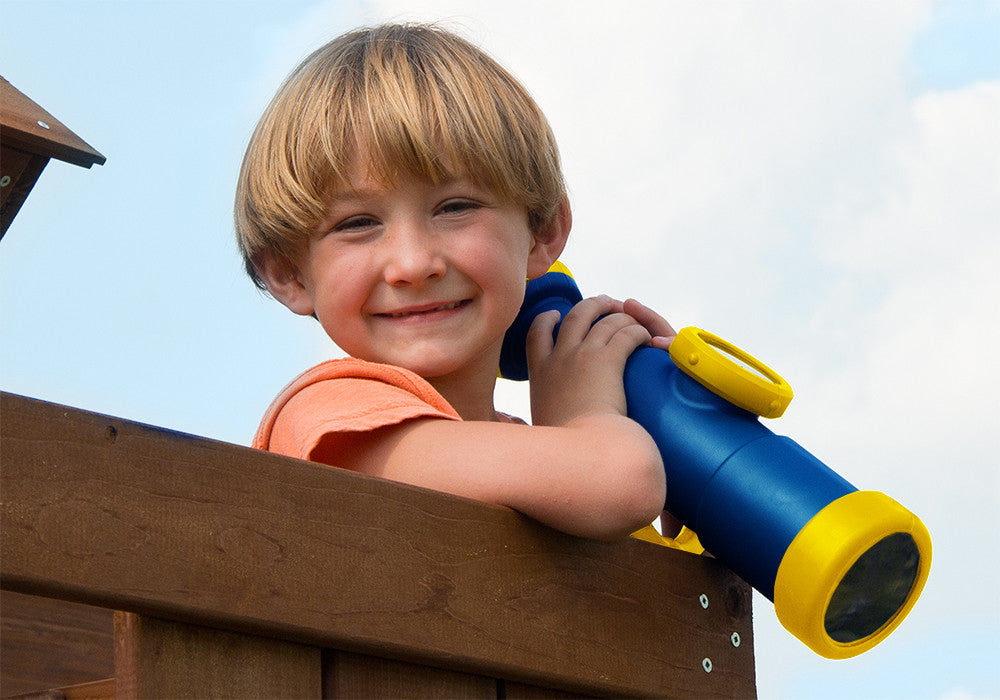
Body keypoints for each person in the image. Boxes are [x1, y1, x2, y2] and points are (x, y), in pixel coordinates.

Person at [235, 22, 675, 541]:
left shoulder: (545, 462)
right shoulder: (328, 419)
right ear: (288, 272)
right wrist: (587, 412)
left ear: (541, 232)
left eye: (455, 207)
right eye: (358, 223)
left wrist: (680, 461)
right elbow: (621, 482)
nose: (414, 263)